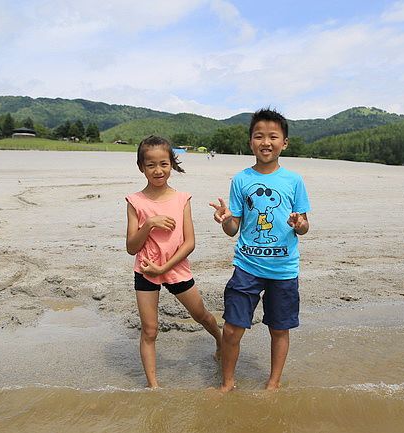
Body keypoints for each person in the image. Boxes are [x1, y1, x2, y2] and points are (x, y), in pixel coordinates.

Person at [210, 108, 311, 392]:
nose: (266, 142)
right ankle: (228, 384)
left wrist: (299, 223)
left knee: (279, 329)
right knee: (231, 329)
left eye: (273, 137)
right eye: (259, 136)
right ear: (250, 142)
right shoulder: (241, 179)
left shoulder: (294, 181)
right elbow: (233, 229)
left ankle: (273, 384)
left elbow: (304, 227)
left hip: (284, 269)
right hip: (247, 266)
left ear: (284, 143)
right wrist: (226, 219)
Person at [126, 135, 222, 388]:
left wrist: (165, 267)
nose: (158, 170)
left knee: (201, 315)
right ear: (141, 167)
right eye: (151, 165)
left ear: (172, 164)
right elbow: (130, 247)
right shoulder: (135, 202)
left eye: (163, 164)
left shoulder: (182, 199)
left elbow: (189, 243)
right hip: (146, 271)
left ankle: (221, 342)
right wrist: (148, 224)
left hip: (176, 268)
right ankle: (153, 386)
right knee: (149, 330)